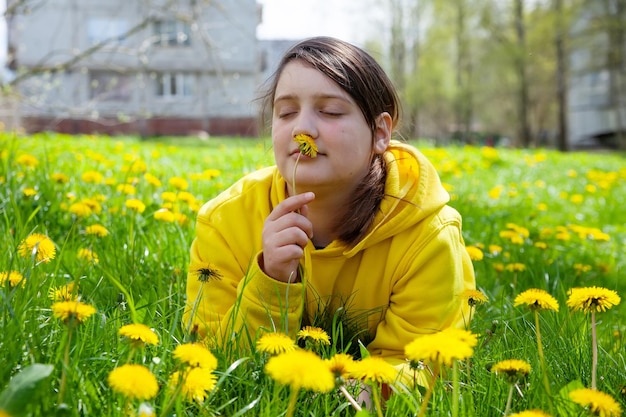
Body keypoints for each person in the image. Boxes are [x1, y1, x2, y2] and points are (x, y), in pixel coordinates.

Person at [184, 36, 476, 384]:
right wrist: (271, 279)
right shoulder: (225, 222)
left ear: (380, 132)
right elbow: (217, 359)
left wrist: (358, 392)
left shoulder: (427, 234)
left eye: (331, 111)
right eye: (286, 112)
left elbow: (424, 364)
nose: (302, 128)